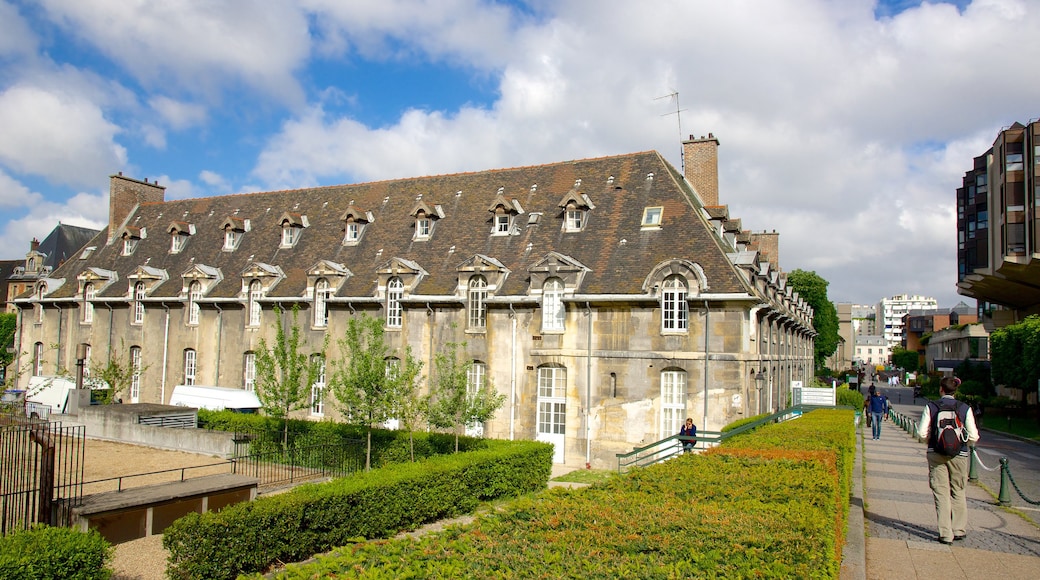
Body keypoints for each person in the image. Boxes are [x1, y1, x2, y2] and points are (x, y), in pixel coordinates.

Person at [916, 376, 979, 545]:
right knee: (958, 491)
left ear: (941, 389)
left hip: (936, 454)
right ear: (955, 391)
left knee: (941, 493)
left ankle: (945, 533)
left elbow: (921, 433)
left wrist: (930, 440)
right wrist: (964, 443)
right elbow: (974, 436)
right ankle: (959, 529)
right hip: (959, 455)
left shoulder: (932, 406)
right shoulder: (965, 408)